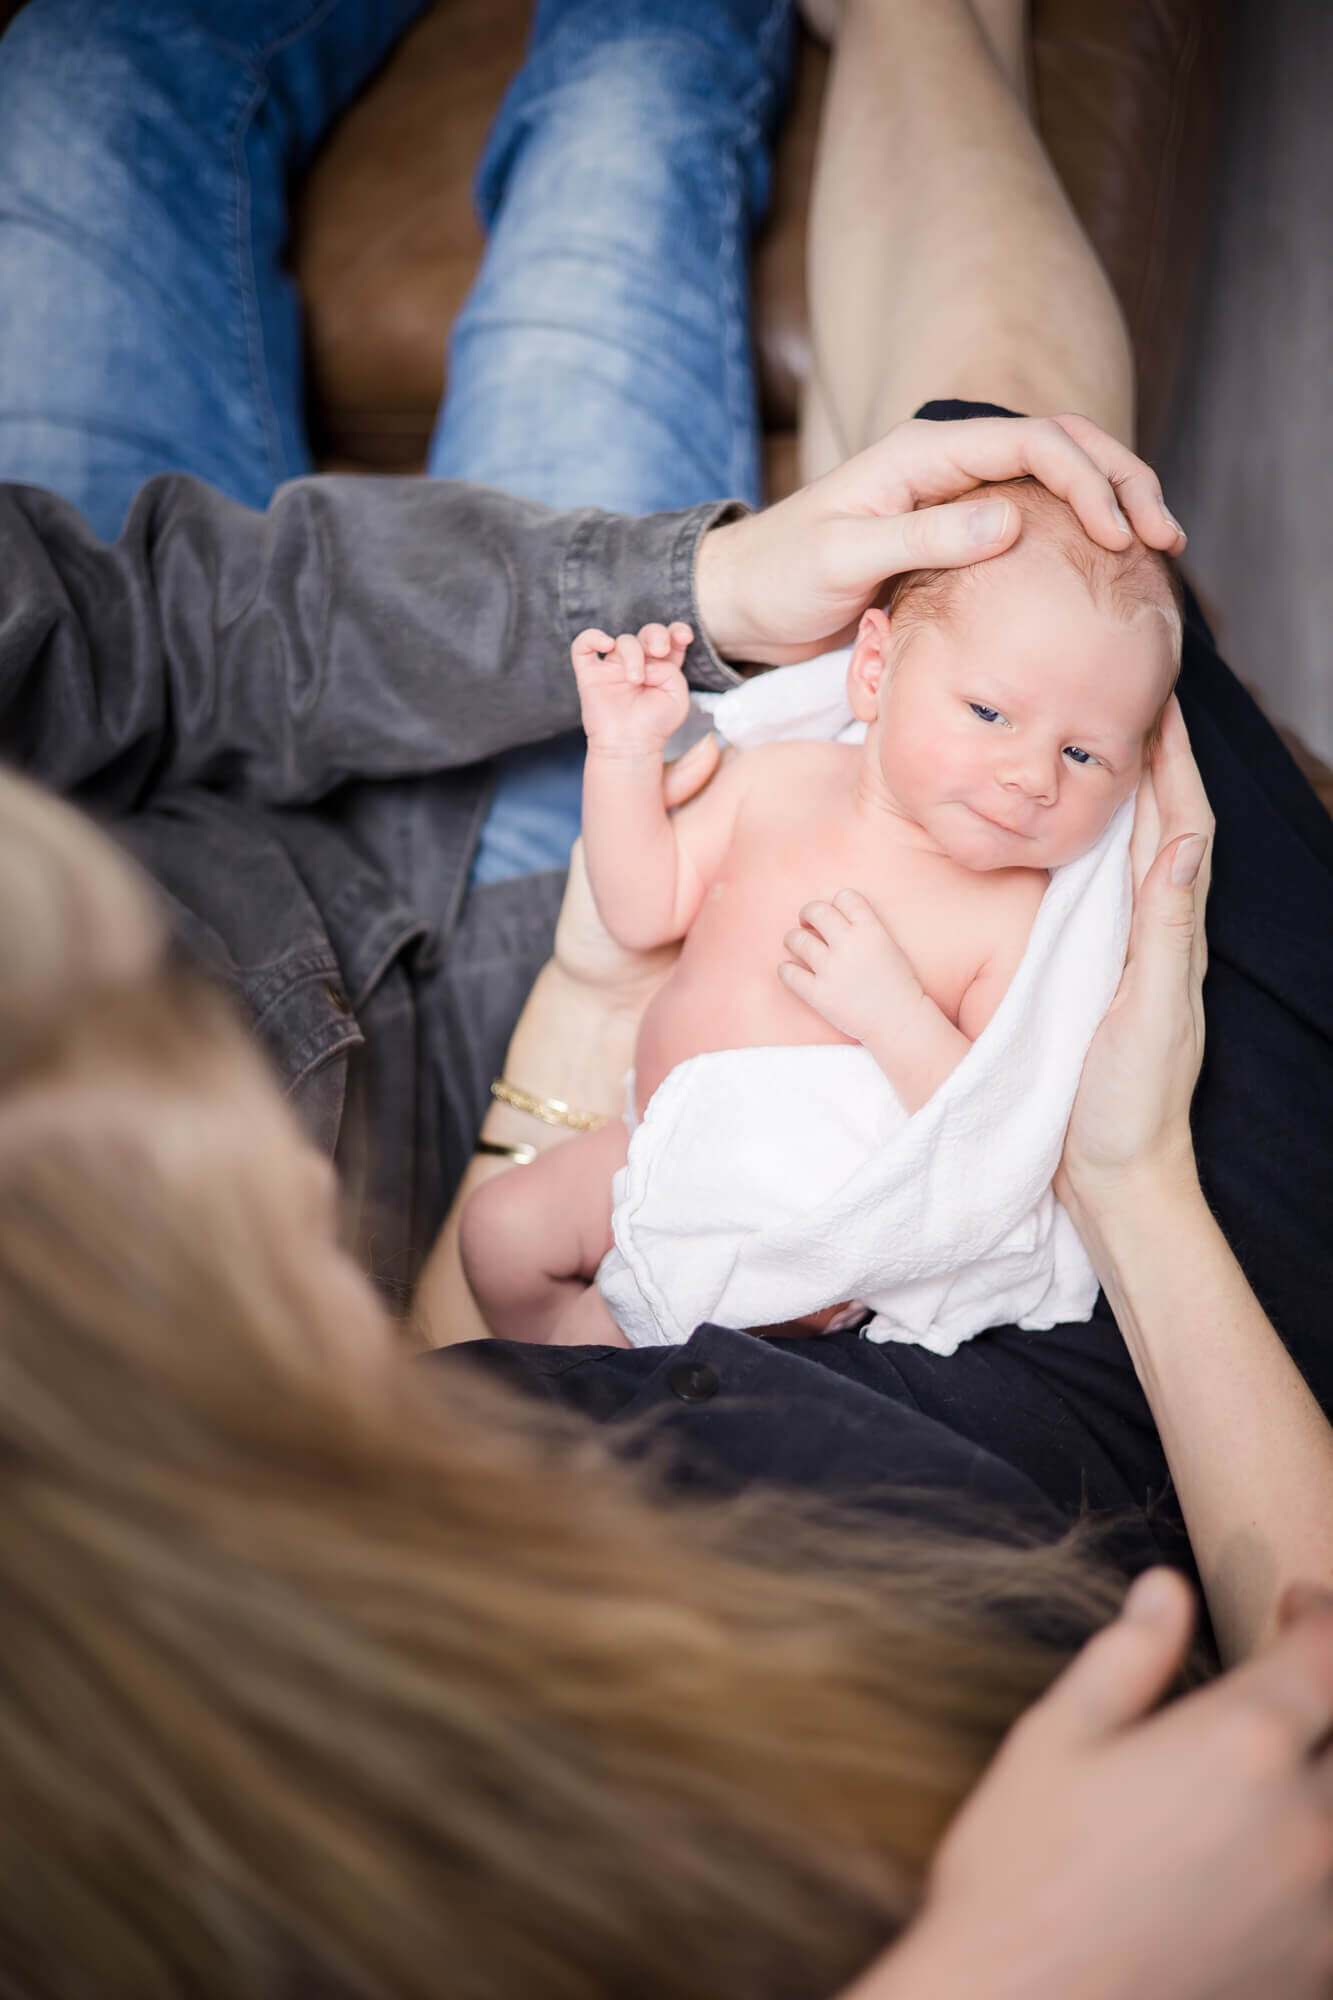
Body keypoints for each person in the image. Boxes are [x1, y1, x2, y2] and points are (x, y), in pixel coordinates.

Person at [0, 0, 1331, 1987]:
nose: (279, 1151)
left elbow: (175, 639)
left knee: (85, 75)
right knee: (947, 412)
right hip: (1049, 1337)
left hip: (553, 917)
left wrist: (673, 663)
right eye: (151, 1048)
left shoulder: (389, 1407)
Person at [1, 758, 1332, 1999]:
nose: (299, 1172)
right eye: (168, 1207)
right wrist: (1131, 1189)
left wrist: (592, 1000)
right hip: (1183, 1358)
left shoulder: (306, 1509)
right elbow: (1285, 1768)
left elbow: (479, 1348)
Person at [458, 479, 1181, 1346]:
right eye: (989, 712)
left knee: (599, 1336)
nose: (1032, 774)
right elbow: (639, 910)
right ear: (875, 669)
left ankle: (549, 1415)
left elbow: (993, 1127)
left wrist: (897, 1013)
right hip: (653, 1140)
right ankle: (514, 1397)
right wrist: (620, 756)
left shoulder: (1010, 919)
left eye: (1083, 753)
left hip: (780, 1224)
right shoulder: (776, 780)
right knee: (496, 1232)